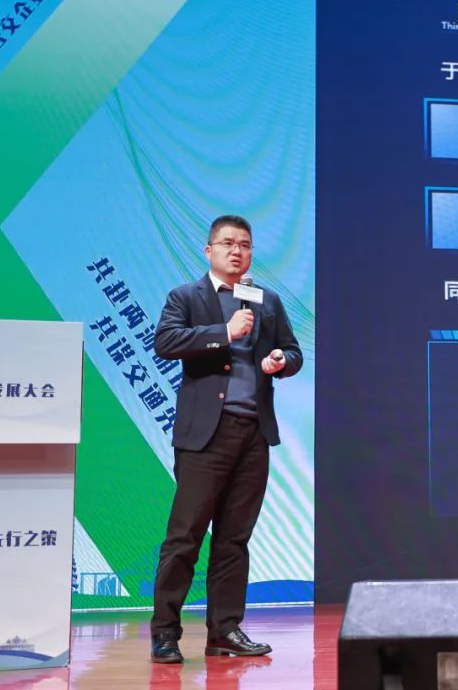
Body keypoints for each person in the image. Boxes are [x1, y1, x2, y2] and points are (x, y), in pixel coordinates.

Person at [149, 215, 303, 663]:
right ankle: (165, 633)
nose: (237, 251)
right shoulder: (186, 297)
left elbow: (294, 351)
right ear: (209, 250)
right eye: (228, 244)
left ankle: (225, 631)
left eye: (245, 245)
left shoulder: (267, 300)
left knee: (234, 540)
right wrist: (225, 333)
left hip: (253, 433)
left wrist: (280, 360)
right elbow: (166, 341)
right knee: (185, 537)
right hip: (205, 437)